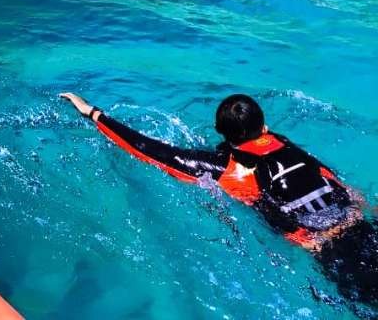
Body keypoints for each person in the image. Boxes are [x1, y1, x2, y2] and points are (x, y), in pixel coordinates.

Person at [60, 92, 378, 312]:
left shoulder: (226, 169)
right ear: (264, 127)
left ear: (221, 134)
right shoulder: (285, 144)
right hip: (362, 226)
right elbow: (342, 186)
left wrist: (93, 113)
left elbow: (150, 150)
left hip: (330, 251)